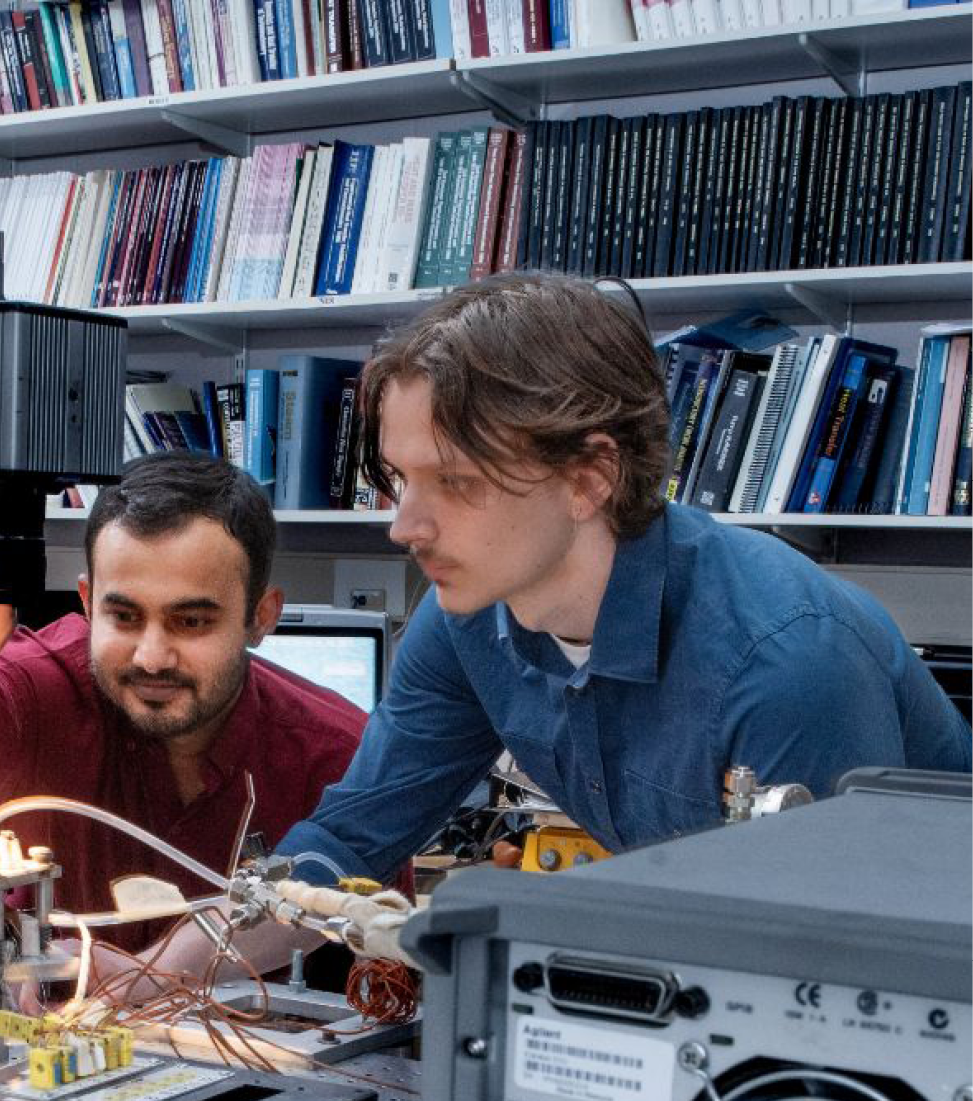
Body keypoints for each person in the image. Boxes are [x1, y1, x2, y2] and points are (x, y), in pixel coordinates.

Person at [275, 271, 972, 884]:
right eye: (402, 479)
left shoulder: (785, 662)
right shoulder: (468, 617)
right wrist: (210, 942)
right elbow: (347, 842)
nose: (404, 527)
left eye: (454, 480)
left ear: (589, 478)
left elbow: (829, 953)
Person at [0, 452, 369, 957]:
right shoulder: (51, 687)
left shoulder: (341, 759)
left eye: (191, 622)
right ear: (88, 602)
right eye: (125, 617)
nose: (151, 658)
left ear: (260, 617)